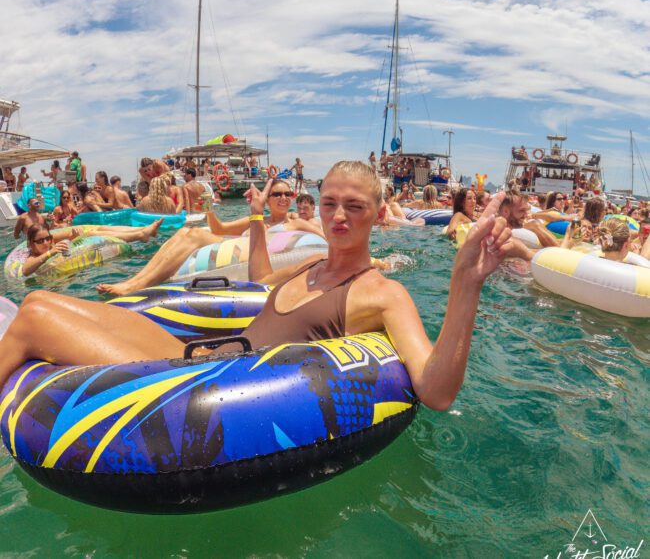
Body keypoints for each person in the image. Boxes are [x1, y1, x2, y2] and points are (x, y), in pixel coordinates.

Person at [0, 161, 513, 411]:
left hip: (203, 386)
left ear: (378, 215)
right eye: (329, 202)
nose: (337, 216)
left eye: (354, 207)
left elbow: (437, 390)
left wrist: (465, 283)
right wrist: (255, 219)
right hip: (197, 355)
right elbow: (258, 282)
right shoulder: (307, 267)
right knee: (42, 298)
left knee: (34, 319)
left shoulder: (380, 292)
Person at [96, 178, 324, 296]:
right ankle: (134, 281)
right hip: (234, 247)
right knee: (185, 232)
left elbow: (326, 241)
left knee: (193, 234)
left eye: (288, 194)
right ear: (267, 197)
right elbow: (219, 228)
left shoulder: (295, 222)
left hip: (253, 253)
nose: (283, 198)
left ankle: (137, 285)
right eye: (277, 194)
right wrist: (207, 208)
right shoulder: (258, 220)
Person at [20, 220, 164, 278]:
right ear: (32, 244)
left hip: (76, 271)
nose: (46, 242)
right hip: (58, 283)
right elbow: (26, 271)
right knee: (93, 233)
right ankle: (141, 234)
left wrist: (74, 237)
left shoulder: (53, 241)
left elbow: (71, 238)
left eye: (48, 238)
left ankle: (142, 231)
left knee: (98, 229)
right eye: (40, 240)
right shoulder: (33, 255)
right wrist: (50, 252)